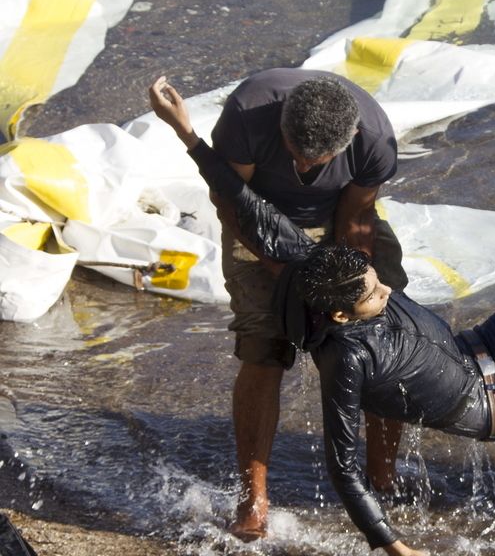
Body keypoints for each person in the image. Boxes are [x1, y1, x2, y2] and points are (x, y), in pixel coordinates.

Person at [150, 77, 495, 556]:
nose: (384, 286)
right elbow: (340, 468)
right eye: (374, 291)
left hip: (485, 346)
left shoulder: (321, 266)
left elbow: (245, 204)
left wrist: (186, 134)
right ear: (345, 314)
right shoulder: (348, 358)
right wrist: (391, 545)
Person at [153, 68, 409, 540]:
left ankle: (382, 478)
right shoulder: (248, 113)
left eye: (320, 161)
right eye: (297, 157)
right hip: (256, 226)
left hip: (337, 223)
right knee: (264, 351)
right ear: (282, 129)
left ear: (349, 138)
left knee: (381, 344)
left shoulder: (373, 138)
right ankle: (253, 500)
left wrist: (350, 281)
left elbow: (356, 215)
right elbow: (230, 200)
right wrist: (284, 272)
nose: (307, 169)